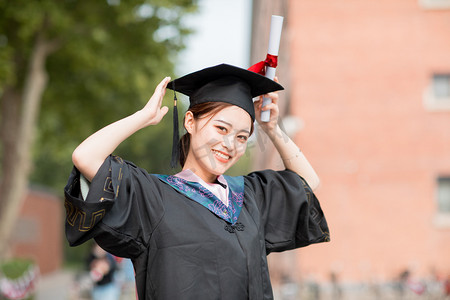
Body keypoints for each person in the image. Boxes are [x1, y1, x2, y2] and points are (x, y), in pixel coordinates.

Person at [64, 63, 330, 300]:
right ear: (190, 122)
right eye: (221, 128)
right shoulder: (153, 196)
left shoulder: (249, 196)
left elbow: (307, 183)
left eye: (241, 137)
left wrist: (272, 128)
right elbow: (85, 157)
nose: (229, 145)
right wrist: (142, 117)